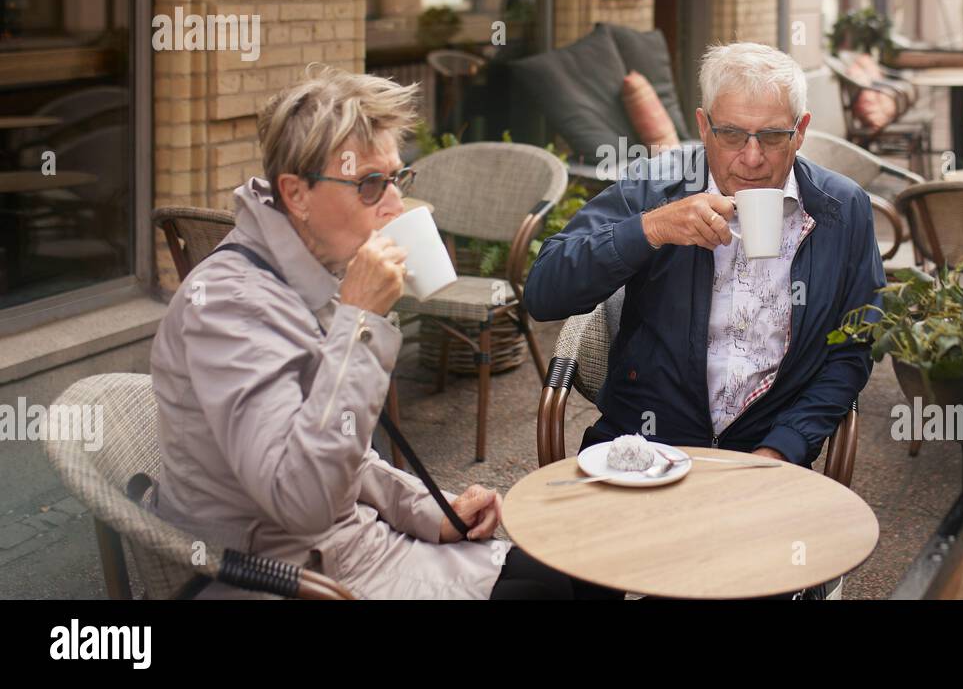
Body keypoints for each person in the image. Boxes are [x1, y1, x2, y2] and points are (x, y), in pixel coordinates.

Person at [150, 64, 584, 599]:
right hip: (289, 576)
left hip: (353, 547)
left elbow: (347, 452)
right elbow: (303, 501)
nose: (395, 205)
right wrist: (360, 323)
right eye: (370, 184)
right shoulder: (227, 308)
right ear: (297, 194)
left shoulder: (313, 271)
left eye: (397, 178)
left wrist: (433, 509)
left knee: (562, 572)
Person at [525, 43, 886, 467]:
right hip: (645, 450)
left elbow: (852, 347)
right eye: (730, 134)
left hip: (767, 458)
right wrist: (650, 229)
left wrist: (786, 444)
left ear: (801, 130)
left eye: (772, 136)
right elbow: (543, 294)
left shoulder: (841, 209)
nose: (751, 159)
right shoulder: (653, 187)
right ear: (703, 125)